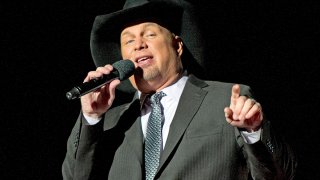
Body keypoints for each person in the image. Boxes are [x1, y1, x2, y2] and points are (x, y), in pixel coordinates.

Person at [62, 0, 297, 179]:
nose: (139, 44)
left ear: (177, 45)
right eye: (128, 41)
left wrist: (254, 132)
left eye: (150, 34)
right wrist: (91, 118)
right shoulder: (111, 121)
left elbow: (282, 174)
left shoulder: (226, 100)